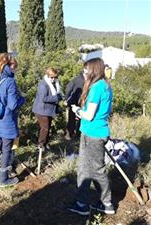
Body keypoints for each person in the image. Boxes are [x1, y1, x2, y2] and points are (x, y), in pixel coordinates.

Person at [67, 58, 115, 216]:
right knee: (97, 169)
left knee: (86, 170)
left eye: (87, 69)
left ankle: (84, 204)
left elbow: (88, 115)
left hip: (92, 135)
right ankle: (105, 203)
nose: (84, 72)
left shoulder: (96, 88)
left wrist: (77, 111)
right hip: (100, 132)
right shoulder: (106, 86)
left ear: (94, 70)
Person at [0, 53, 25, 187]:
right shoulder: (9, 81)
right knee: (7, 149)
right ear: (9, 65)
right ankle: (3, 179)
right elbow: (13, 105)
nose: (15, 70)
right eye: (15, 67)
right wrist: (22, 99)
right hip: (7, 121)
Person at [32, 68, 62, 151]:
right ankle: (40, 145)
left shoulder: (55, 83)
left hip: (49, 110)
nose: (53, 79)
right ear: (48, 76)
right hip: (42, 110)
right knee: (45, 128)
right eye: (51, 77)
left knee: (47, 128)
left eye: (55, 77)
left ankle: (45, 143)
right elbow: (44, 98)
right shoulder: (43, 84)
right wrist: (57, 98)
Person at [64, 68, 85, 140]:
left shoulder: (77, 79)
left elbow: (68, 89)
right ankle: (70, 134)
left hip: (82, 102)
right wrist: (66, 99)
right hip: (75, 102)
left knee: (78, 119)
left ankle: (74, 134)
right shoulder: (77, 79)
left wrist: (66, 99)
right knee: (73, 119)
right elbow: (68, 89)